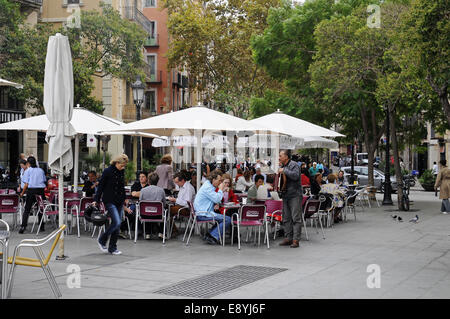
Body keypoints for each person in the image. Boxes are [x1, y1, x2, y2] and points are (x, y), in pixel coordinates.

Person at [94, 154, 129, 255]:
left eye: (124, 166)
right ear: (117, 162)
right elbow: (101, 186)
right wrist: (96, 199)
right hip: (109, 200)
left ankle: (112, 248)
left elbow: (122, 186)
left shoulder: (121, 171)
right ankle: (102, 239)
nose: (123, 167)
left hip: (119, 200)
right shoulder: (107, 171)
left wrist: (125, 198)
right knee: (117, 222)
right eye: (122, 165)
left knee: (117, 225)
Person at [193, 169, 230, 245]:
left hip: (203, 212)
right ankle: (213, 236)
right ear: (213, 179)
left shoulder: (208, 185)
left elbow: (215, 199)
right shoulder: (208, 187)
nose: (220, 183)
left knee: (222, 219)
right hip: (203, 214)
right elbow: (217, 198)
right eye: (219, 181)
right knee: (227, 219)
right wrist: (220, 189)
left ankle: (210, 234)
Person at [278, 150, 302, 248]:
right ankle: (288, 238)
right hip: (285, 195)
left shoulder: (294, 165)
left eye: (280, 155)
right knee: (286, 218)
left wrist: (284, 171)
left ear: (286, 157)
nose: (279, 157)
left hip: (294, 195)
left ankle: (296, 240)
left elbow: (295, 176)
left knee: (296, 218)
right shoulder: (282, 166)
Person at [18, 156, 47, 234]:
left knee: (27, 209)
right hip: (41, 191)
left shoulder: (28, 171)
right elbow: (44, 181)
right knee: (40, 208)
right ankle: (42, 226)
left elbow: (26, 184)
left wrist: (22, 193)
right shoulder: (41, 170)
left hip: (31, 191)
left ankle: (23, 226)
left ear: (28, 163)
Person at [119, 171, 148, 239]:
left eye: (143, 177)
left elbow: (137, 194)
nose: (141, 178)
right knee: (130, 212)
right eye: (140, 177)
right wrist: (145, 192)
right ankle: (123, 229)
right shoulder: (136, 184)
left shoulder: (149, 185)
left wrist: (138, 193)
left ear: (146, 178)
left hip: (145, 205)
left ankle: (138, 230)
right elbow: (133, 194)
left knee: (138, 213)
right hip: (134, 204)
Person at [139, 173, 167, 239]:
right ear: (157, 181)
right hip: (158, 215)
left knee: (147, 209)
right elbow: (164, 203)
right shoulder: (161, 190)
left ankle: (147, 233)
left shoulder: (143, 190)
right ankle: (161, 232)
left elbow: (141, 202)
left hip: (145, 215)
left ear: (148, 181)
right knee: (165, 211)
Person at [168, 171, 196, 236]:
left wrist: (175, 200)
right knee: (167, 209)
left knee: (168, 210)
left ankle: (173, 230)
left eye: (177, 182)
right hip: (181, 207)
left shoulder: (188, 188)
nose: (177, 184)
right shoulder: (182, 187)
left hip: (187, 209)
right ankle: (171, 229)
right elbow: (180, 200)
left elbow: (187, 203)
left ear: (182, 180)